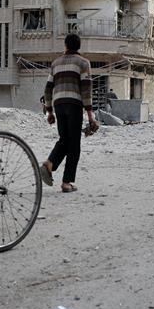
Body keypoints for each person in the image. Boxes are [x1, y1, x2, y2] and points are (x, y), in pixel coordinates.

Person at [40, 33, 98, 193]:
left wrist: (50, 111)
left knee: (64, 139)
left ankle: (49, 164)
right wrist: (90, 115)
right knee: (74, 144)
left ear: (65, 45)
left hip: (59, 104)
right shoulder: (83, 63)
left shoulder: (55, 63)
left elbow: (48, 89)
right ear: (79, 46)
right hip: (74, 104)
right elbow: (86, 89)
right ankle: (66, 182)